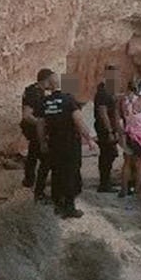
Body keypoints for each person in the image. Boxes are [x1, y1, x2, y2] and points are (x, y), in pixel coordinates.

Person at [39, 74, 96, 218]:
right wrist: (89, 140)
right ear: (59, 84)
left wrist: (43, 142)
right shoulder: (68, 100)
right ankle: (69, 206)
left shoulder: (44, 102)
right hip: (70, 142)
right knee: (71, 172)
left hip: (54, 142)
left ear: (49, 86)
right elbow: (79, 122)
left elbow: (40, 125)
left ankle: (58, 204)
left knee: (57, 172)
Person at [21, 68, 55, 195]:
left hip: (33, 129)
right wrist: (42, 124)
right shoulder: (33, 93)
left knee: (33, 153)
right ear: (46, 80)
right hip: (34, 129)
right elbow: (27, 115)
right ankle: (38, 190)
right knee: (46, 159)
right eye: (51, 80)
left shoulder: (37, 91)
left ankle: (29, 180)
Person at [119, 79, 141, 198]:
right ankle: (137, 190)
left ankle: (124, 189)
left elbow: (122, 116)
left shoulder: (124, 100)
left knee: (127, 161)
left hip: (130, 130)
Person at [93, 64, 122, 193]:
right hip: (104, 128)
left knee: (110, 154)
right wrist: (110, 131)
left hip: (108, 127)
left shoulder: (109, 91)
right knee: (107, 155)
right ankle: (104, 183)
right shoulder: (103, 92)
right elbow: (103, 113)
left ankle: (106, 181)